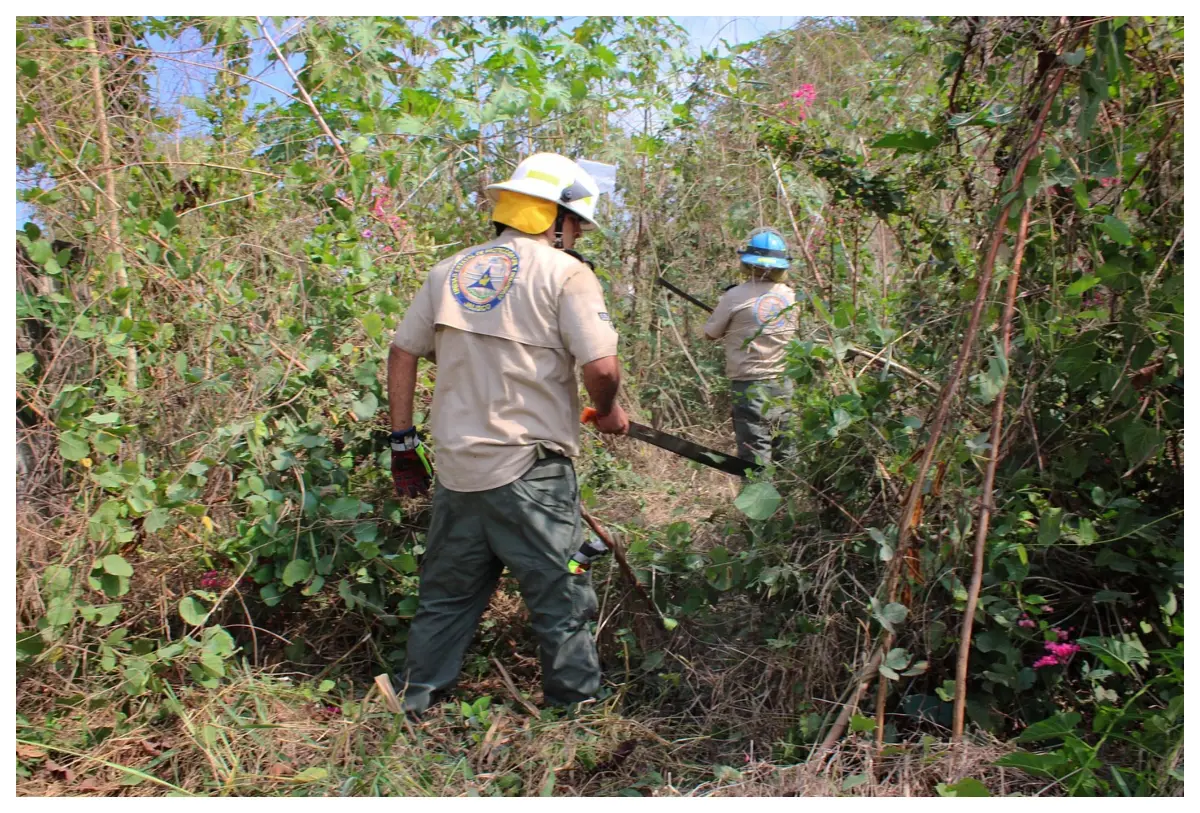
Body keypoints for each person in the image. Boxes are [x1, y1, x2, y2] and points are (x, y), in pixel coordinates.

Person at [383, 152, 629, 715]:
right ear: (557, 218)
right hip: (531, 473)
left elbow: (402, 351)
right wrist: (609, 411)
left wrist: (403, 445)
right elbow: (602, 368)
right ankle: (574, 713)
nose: (578, 234)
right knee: (561, 592)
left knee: (446, 598)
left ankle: (415, 702)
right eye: (577, 223)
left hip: (458, 471)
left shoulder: (447, 272)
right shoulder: (567, 273)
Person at [703, 227, 798, 467]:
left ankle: (759, 502)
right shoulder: (791, 296)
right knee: (786, 452)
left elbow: (710, 333)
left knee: (755, 458)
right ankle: (791, 501)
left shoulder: (734, 296)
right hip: (784, 384)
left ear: (747, 262)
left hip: (750, 386)